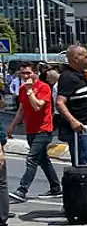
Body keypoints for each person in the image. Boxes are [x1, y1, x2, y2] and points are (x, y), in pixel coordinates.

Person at [5, 63, 62, 202]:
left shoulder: (44, 88)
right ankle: (56, 188)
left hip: (43, 129)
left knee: (32, 159)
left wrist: (30, 91)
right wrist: (12, 126)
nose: (26, 76)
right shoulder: (22, 89)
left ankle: (22, 190)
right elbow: (22, 109)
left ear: (35, 73)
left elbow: (37, 106)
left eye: (28, 73)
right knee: (43, 161)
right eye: (23, 74)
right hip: (30, 130)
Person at [56, 45, 87, 167]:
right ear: (75, 58)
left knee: (86, 161)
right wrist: (73, 121)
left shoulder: (80, 75)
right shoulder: (68, 77)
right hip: (78, 129)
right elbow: (59, 102)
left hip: (86, 127)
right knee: (82, 164)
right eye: (85, 56)